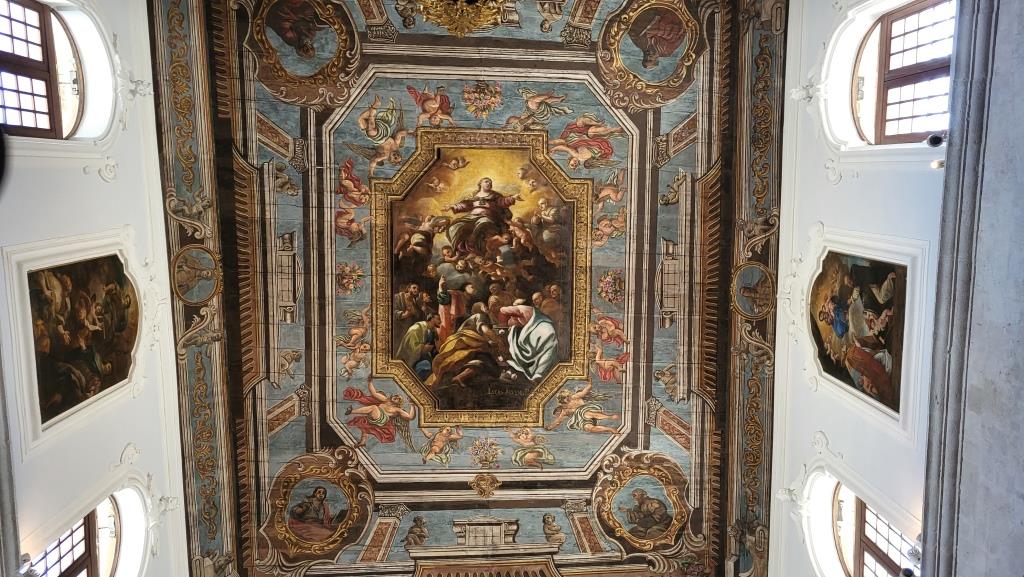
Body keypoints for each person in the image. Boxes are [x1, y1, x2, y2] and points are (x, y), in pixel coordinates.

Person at [446, 177, 522, 256]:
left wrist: (512, 198)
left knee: (483, 221)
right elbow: (464, 205)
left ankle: (472, 240)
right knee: (454, 227)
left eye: (490, 183)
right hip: (472, 217)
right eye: (486, 181)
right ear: (480, 183)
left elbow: (502, 201)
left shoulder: (494, 196)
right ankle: (462, 248)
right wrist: (452, 206)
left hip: (488, 217)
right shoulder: (473, 196)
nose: (489, 183)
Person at [500, 303, 558, 383]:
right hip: (520, 369)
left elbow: (548, 353)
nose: (513, 319)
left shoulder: (546, 329)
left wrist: (539, 373)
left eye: (515, 316)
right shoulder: (516, 328)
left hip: (540, 371)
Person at [395, 312, 441, 378]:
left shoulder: (428, 330)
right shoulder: (416, 329)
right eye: (438, 319)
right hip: (408, 362)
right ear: (431, 319)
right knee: (426, 365)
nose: (440, 321)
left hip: (418, 358)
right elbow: (413, 350)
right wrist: (424, 348)